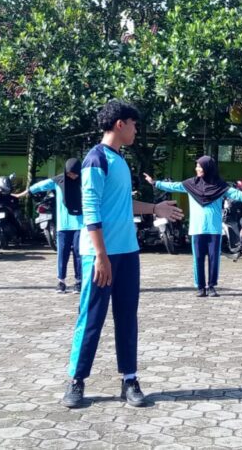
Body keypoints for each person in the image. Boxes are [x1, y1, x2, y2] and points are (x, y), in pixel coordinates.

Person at [61, 101, 184, 410]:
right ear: (120, 124)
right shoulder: (96, 159)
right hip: (99, 255)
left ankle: (129, 379)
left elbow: (121, 205)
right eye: (133, 124)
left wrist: (155, 208)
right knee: (91, 317)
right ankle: (76, 380)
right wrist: (101, 256)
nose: (136, 130)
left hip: (128, 252)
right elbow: (90, 209)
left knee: (127, 316)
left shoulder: (119, 160)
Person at [144, 156, 242, 298]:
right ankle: (200, 287)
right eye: (197, 166)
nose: (197, 169)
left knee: (214, 259)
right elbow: (174, 186)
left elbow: (235, 193)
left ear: (208, 168)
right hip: (197, 229)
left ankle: (211, 286)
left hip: (214, 229)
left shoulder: (220, 186)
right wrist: (155, 183)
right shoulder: (191, 185)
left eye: (199, 166)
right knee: (198, 259)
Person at [18, 158, 84, 294]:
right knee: (62, 254)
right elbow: (41, 185)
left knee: (79, 253)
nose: (72, 176)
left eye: (75, 173)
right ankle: (61, 281)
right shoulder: (58, 180)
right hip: (63, 225)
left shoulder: (84, 181)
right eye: (69, 173)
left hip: (80, 224)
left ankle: (79, 281)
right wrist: (25, 193)